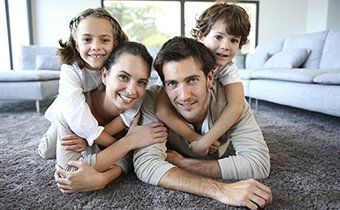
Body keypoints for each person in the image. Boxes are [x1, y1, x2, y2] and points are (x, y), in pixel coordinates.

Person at [55, 37, 272, 209]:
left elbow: (258, 163)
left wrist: (184, 163)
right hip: (77, 126)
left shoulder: (233, 103)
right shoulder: (151, 99)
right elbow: (146, 165)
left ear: (210, 78)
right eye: (172, 84)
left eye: (192, 80)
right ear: (162, 84)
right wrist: (220, 190)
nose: (184, 95)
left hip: (199, 149)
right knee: (51, 143)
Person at [52, 41, 168, 192]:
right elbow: (69, 172)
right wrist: (129, 141)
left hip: (99, 134)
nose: (132, 91)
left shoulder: (137, 111)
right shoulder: (73, 109)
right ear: (105, 75)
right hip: (57, 126)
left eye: (141, 82)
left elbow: (130, 158)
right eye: (123, 77)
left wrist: (103, 179)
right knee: (47, 150)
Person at [155, 1, 250, 155]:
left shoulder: (227, 68)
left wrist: (206, 141)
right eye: (219, 37)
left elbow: (236, 106)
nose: (226, 46)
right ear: (200, 36)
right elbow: (161, 109)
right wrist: (195, 138)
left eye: (234, 40)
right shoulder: (179, 63)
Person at [38, 8, 129, 159]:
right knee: (47, 151)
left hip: (97, 110)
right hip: (70, 110)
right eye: (87, 39)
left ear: (115, 43)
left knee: (88, 141)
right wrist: (115, 145)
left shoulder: (118, 65)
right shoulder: (71, 70)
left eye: (104, 40)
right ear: (76, 45)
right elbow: (77, 115)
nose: (96, 47)